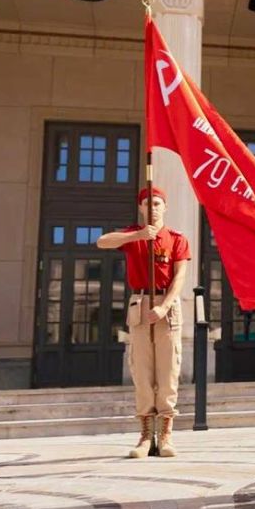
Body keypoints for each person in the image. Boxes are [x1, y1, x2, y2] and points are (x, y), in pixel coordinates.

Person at [97, 186, 190, 458]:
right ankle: (146, 436)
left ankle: (167, 435)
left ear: (166, 207)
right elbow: (102, 242)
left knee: (168, 371)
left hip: (166, 307)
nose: (154, 208)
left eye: (158, 203)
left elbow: (180, 277)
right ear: (141, 208)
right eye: (148, 203)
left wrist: (164, 306)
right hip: (140, 304)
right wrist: (139, 234)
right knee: (142, 370)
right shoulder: (132, 235)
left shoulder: (176, 239)